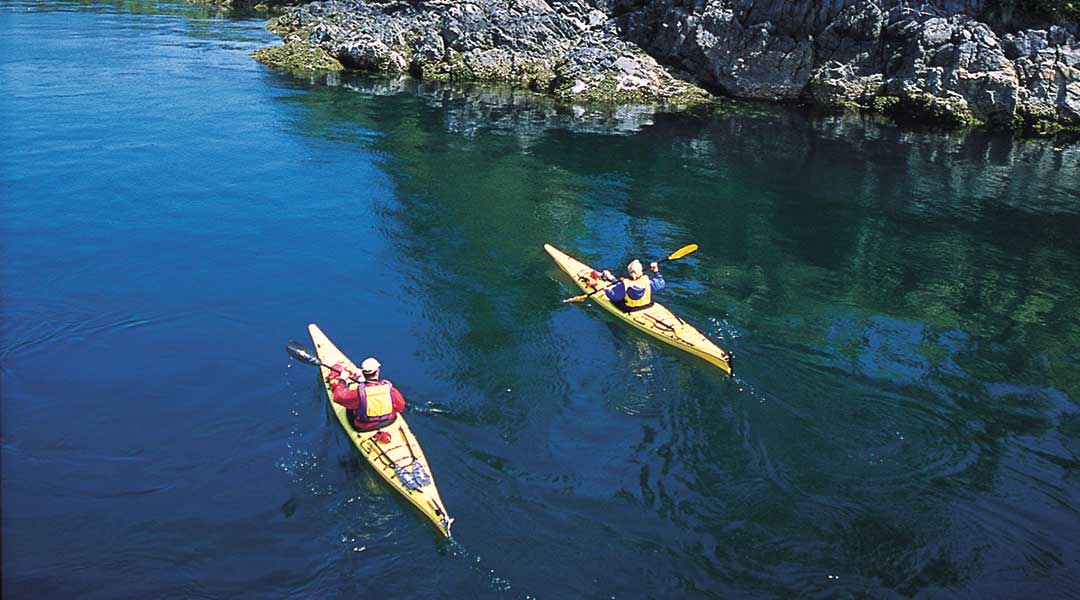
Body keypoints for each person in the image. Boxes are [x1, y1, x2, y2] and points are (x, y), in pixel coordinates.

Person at [326, 357, 406, 431]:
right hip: (388, 421)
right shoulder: (390, 389)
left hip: (364, 426)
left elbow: (337, 397)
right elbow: (400, 406)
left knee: (350, 406)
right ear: (377, 371)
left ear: (363, 373)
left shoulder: (358, 394)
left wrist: (342, 380)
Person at [601, 259, 665, 311]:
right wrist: (656, 271)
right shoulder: (649, 282)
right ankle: (611, 277)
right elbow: (661, 282)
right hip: (648, 306)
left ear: (629, 273)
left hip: (631, 309)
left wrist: (606, 290)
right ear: (641, 271)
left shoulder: (624, 285)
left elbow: (614, 297)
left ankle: (611, 277)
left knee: (616, 300)